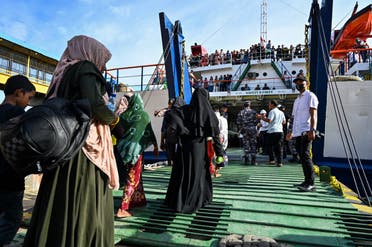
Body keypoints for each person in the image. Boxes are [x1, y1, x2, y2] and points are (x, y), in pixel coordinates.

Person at [24, 35, 120, 247]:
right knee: (84, 197)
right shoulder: (85, 67)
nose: (103, 66)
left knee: (58, 197)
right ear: (90, 52)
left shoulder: (63, 72)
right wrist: (114, 117)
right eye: (102, 60)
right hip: (83, 148)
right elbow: (94, 105)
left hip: (63, 145)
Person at [165, 88, 224, 213]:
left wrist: (171, 155)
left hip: (183, 149)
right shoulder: (209, 114)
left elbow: (171, 131)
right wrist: (220, 157)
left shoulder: (182, 111)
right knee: (199, 176)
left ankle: (179, 202)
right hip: (199, 150)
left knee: (182, 174)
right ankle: (197, 200)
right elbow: (216, 138)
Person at [0, 75, 36, 246]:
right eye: (28, 97)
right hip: (11, 178)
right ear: (18, 93)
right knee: (13, 219)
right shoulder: (19, 115)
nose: (28, 102)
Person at [115, 92, 159, 218]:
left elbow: (118, 131)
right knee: (132, 178)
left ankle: (138, 200)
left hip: (123, 152)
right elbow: (149, 131)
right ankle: (123, 208)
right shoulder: (144, 115)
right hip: (136, 152)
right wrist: (155, 146)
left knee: (136, 175)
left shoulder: (125, 115)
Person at [286, 76, 319, 192]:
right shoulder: (297, 100)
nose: (299, 84)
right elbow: (294, 117)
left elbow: (313, 114)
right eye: (297, 82)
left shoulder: (310, 96)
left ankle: (311, 183)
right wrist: (291, 132)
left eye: (301, 82)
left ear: (307, 83)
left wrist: (313, 130)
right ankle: (306, 180)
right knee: (301, 156)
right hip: (298, 132)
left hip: (306, 130)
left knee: (305, 156)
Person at [257, 100, 286, 167]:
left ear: (273, 105)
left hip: (272, 131)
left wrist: (261, 117)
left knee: (270, 147)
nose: (269, 105)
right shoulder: (281, 112)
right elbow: (284, 122)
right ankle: (279, 162)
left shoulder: (272, 111)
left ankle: (272, 160)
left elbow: (269, 120)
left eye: (269, 104)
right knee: (279, 147)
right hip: (280, 131)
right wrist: (278, 123)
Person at [236, 101, 258, 165]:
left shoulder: (241, 112)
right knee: (253, 144)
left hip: (244, 129)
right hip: (252, 129)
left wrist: (241, 129)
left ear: (244, 105)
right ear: (249, 105)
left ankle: (247, 160)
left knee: (246, 145)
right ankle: (253, 161)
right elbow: (256, 121)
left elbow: (238, 122)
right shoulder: (254, 112)